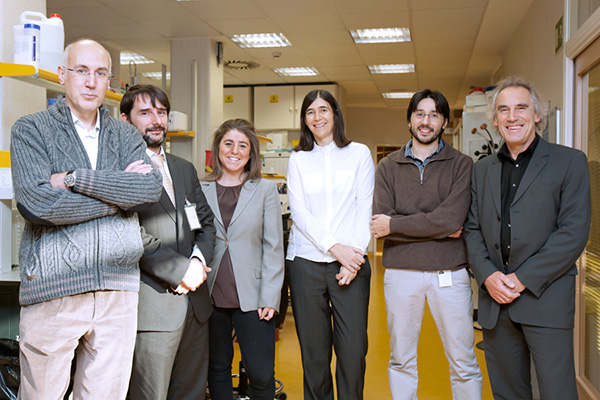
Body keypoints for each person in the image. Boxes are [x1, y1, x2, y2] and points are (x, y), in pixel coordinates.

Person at [10, 39, 163, 400]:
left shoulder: (125, 134)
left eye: (100, 73)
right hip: (53, 289)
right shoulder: (31, 129)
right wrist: (118, 196)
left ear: (109, 80)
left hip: (117, 290)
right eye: (81, 71)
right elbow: (37, 204)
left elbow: (148, 190)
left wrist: (74, 179)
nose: (91, 82)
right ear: (62, 75)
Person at [464, 76, 591, 400]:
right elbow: (472, 229)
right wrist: (488, 276)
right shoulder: (482, 169)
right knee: (507, 393)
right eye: (503, 110)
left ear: (536, 114)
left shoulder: (569, 162)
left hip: (545, 299)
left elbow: (573, 232)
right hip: (496, 303)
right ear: (495, 120)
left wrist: (521, 279)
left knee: (557, 392)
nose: (512, 116)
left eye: (521, 108)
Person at [370, 89, 483, 399]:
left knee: (463, 360)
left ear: (444, 122)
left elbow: (451, 220)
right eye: (420, 113)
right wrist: (437, 228)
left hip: (450, 274)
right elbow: (381, 224)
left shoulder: (462, 164)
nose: (426, 121)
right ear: (409, 120)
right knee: (401, 359)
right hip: (401, 274)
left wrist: (397, 224)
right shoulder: (387, 167)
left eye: (434, 115)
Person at [120, 84, 216, 400]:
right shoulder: (118, 169)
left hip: (196, 307)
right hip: (152, 309)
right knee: (151, 395)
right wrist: (180, 272)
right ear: (125, 120)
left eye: (161, 112)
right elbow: (129, 233)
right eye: (145, 113)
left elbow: (204, 223)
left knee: (192, 393)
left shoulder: (183, 169)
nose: (156, 120)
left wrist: (198, 262)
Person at [286, 89, 374, 400]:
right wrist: (335, 248)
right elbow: (299, 213)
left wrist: (353, 258)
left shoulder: (359, 154)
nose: (317, 117)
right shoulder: (298, 159)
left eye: (323, 109)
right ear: (304, 120)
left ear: (335, 114)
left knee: (353, 352)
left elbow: (364, 208)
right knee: (314, 354)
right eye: (310, 112)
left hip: (351, 265)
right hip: (306, 263)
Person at [200, 118, 284, 400]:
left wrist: (270, 297)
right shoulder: (200, 188)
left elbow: (273, 246)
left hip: (254, 296)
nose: (234, 151)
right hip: (210, 294)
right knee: (217, 368)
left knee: (261, 373)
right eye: (228, 143)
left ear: (251, 153)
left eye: (242, 145)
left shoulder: (265, 190)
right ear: (218, 148)